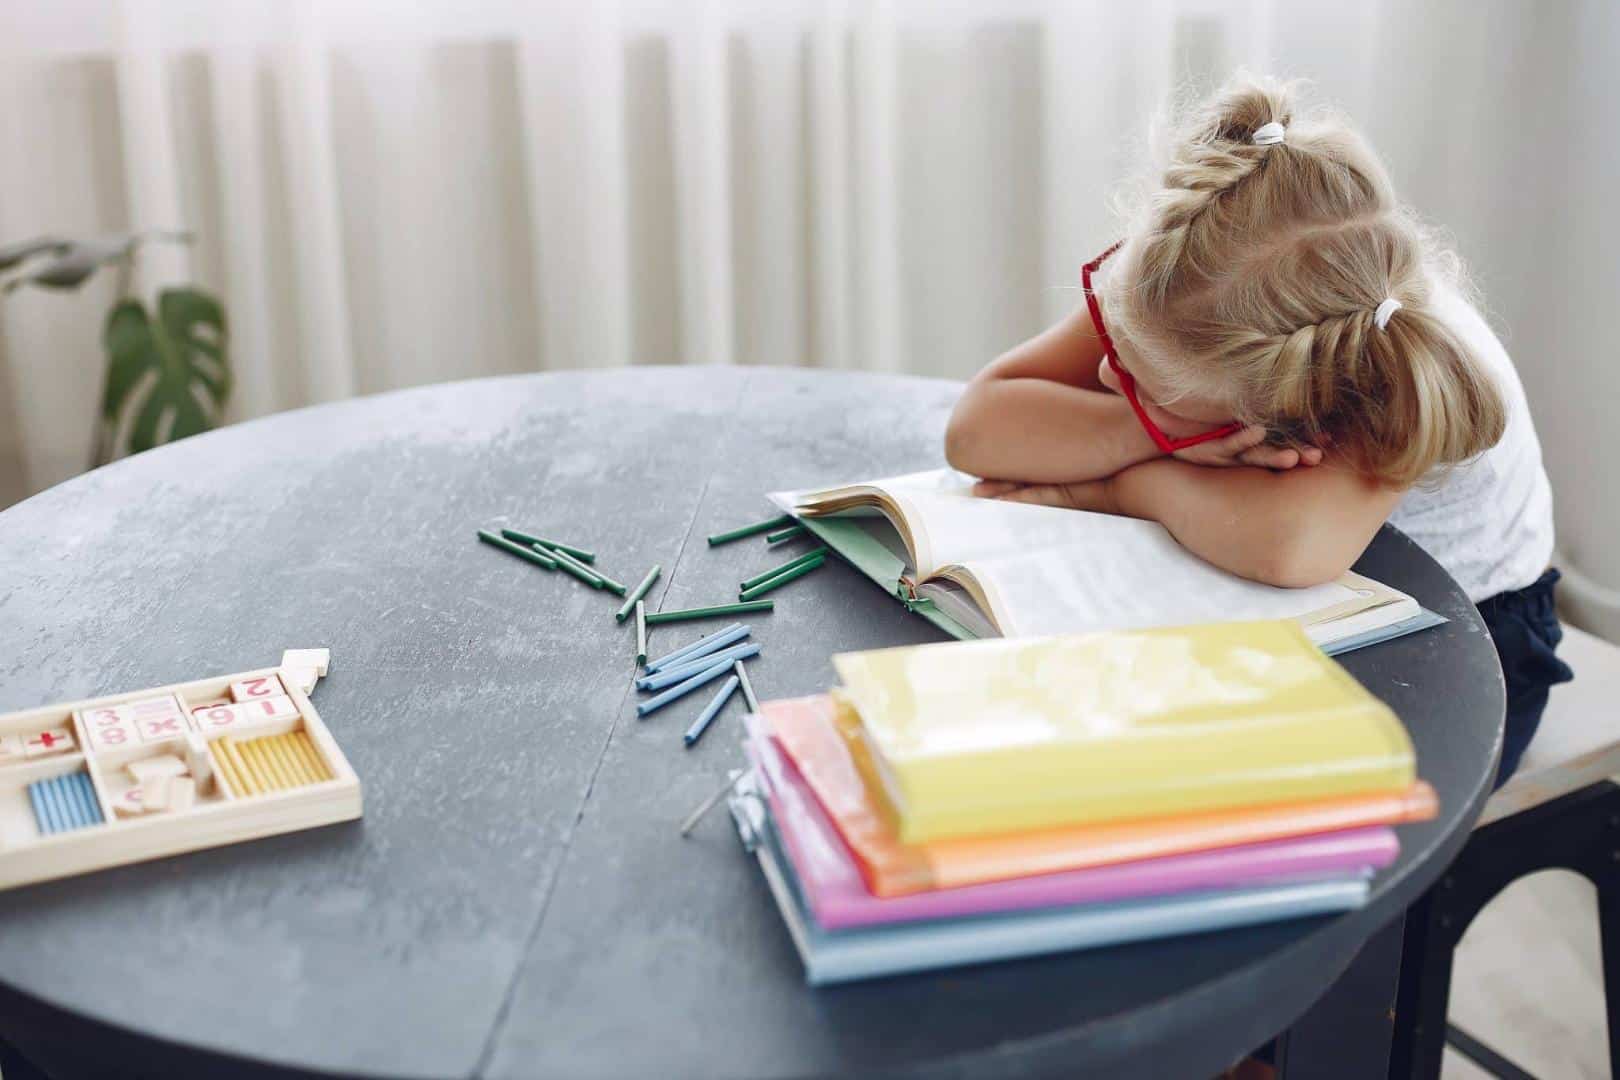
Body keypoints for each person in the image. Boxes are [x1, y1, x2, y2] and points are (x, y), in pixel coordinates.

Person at [945, 74, 1570, 784]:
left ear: (1279, 403)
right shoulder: (1191, 274)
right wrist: (1153, 430)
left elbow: (1291, 549)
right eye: (1120, 354)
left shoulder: (1371, 359)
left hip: (1463, 649)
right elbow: (977, 430)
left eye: (1149, 393)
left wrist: (1112, 487)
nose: (1111, 379)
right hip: (1275, 600)